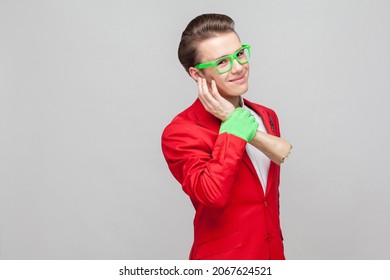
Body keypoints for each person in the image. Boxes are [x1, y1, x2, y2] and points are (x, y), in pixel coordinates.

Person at [161, 13, 292, 260]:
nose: (238, 67)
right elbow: (212, 193)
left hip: (272, 255)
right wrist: (233, 125)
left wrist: (242, 123)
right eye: (222, 62)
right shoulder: (180, 132)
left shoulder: (266, 115)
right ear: (197, 75)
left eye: (239, 53)